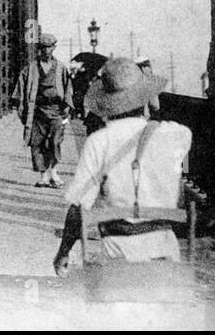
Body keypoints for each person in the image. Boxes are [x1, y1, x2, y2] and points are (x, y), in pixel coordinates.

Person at [53, 57, 191, 274]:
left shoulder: (99, 142)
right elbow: (159, 112)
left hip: (118, 253)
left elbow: (78, 208)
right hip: (166, 252)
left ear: (107, 102)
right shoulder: (179, 135)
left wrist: (63, 253)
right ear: (144, 97)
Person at [11, 33, 74, 188]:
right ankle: (43, 175)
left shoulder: (60, 68)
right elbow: (20, 87)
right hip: (37, 110)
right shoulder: (31, 68)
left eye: (49, 47)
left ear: (54, 47)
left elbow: (68, 88)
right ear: (40, 49)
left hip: (56, 110)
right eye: (44, 48)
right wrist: (20, 106)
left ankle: (54, 171)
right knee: (37, 143)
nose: (46, 51)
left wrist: (67, 105)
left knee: (55, 141)